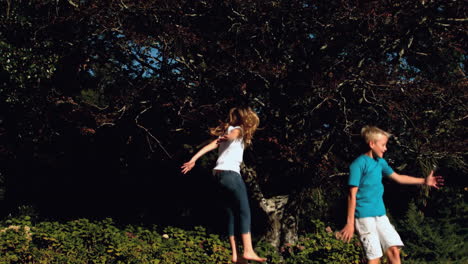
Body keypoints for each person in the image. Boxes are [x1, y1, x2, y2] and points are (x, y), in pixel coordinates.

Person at [338, 126, 444, 264]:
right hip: (364, 217)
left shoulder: (380, 163)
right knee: (374, 258)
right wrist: (350, 223)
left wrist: (424, 181)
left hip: (380, 215)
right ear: (372, 144)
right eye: (383, 145)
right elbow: (352, 195)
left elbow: (398, 178)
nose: (385, 148)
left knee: (394, 250)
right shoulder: (358, 164)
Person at [181, 107, 266, 264]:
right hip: (231, 174)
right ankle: (247, 250)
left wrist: (193, 159)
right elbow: (233, 136)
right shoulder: (238, 130)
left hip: (218, 176)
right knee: (244, 210)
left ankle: (235, 255)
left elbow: (212, 144)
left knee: (231, 214)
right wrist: (229, 136)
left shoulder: (228, 130)